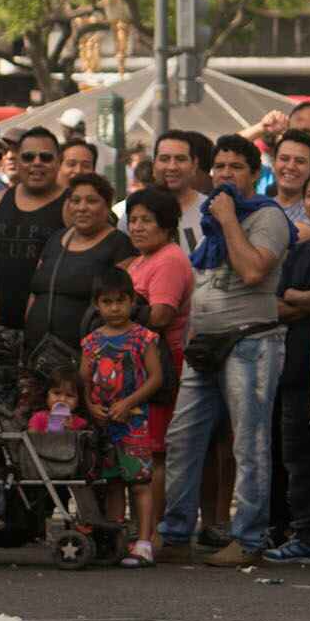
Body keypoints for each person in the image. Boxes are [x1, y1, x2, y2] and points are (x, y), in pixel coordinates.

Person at [158, 135, 294, 567]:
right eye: (219, 167)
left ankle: (249, 538)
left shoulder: (265, 217)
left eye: (235, 167)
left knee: (248, 443)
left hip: (251, 341)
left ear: (255, 173)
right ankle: (176, 533)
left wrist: (231, 218)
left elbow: (253, 270)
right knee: (183, 439)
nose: (225, 175)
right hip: (207, 345)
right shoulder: (214, 219)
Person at [82, 265, 165, 567]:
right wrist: (91, 406)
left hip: (134, 421)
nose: (114, 308)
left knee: (140, 481)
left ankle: (143, 541)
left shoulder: (143, 338)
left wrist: (128, 402)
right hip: (104, 424)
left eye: (121, 301)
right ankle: (116, 539)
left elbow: (155, 378)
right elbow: (85, 380)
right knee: (113, 481)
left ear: (132, 301)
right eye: (107, 302)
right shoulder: (91, 342)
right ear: (97, 305)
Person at [123, 186, 192, 539]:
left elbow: (161, 315)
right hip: (135, 366)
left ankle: (153, 533)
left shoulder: (168, 259)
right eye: (133, 219)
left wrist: (121, 317)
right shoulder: (141, 259)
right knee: (141, 450)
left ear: (166, 225)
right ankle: (142, 530)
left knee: (155, 452)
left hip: (161, 365)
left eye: (146, 220)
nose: (137, 227)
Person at [267, 171, 310, 565]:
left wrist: (296, 298)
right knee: (299, 456)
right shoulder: (299, 251)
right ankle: (307, 534)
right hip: (297, 369)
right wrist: (308, 298)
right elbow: (277, 303)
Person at [0, 125, 68, 364]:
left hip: (51, 334)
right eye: (29, 157)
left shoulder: (73, 206)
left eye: (46, 157)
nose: (37, 163)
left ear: (58, 161)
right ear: (17, 161)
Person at [24, 174, 133, 355]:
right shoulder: (56, 238)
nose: (82, 208)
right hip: (38, 351)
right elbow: (35, 292)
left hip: (88, 355)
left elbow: (121, 303)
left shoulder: (119, 245)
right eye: (75, 201)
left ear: (107, 206)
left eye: (91, 201)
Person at [152, 129, 212, 253]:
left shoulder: (212, 211)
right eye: (164, 159)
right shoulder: (134, 214)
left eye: (180, 159)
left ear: (194, 164)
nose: (172, 167)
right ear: (154, 164)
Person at [273, 129, 310, 230]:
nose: (290, 166)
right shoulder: (259, 205)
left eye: (300, 161)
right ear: (273, 163)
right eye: (284, 159)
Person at [28, 369, 88, 434]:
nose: (62, 399)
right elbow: (30, 441)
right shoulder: (38, 418)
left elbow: (80, 443)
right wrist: (48, 431)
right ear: (47, 396)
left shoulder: (81, 423)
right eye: (57, 393)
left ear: (78, 402)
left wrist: (69, 431)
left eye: (69, 395)